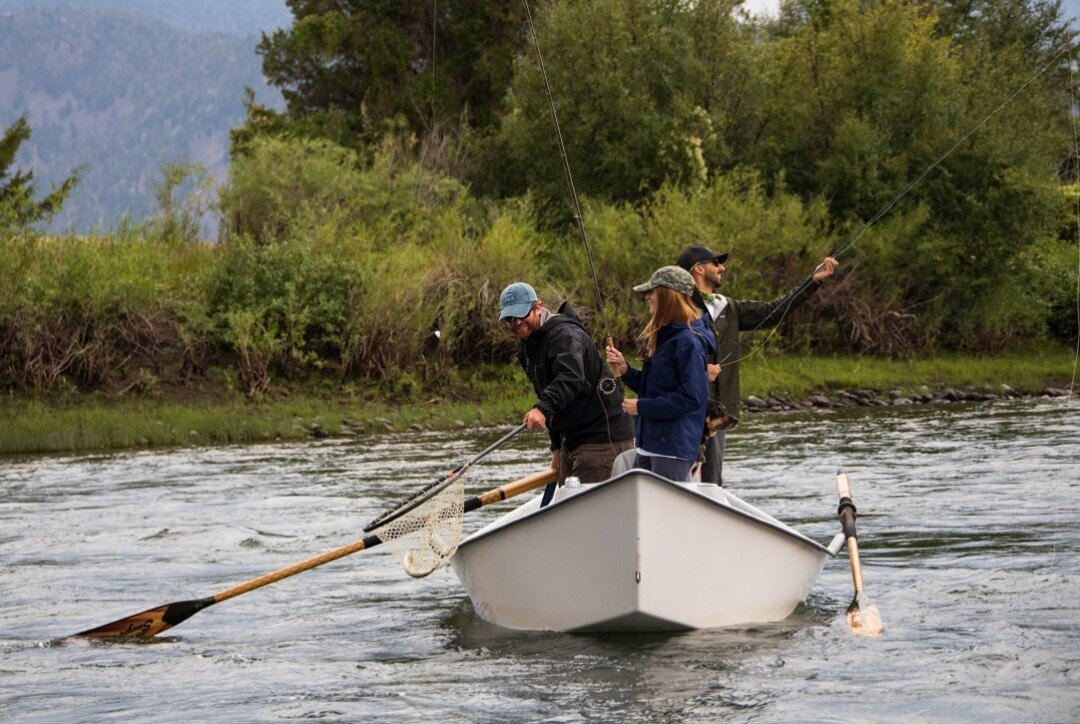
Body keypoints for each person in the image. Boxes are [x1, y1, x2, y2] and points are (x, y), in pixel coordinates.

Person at [677, 245, 839, 485]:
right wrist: (700, 371)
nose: (722, 267)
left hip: (718, 411)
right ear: (699, 269)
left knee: (711, 481)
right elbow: (664, 357)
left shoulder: (729, 307)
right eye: (716, 263)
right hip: (687, 409)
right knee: (682, 477)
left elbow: (774, 310)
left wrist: (812, 281)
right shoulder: (678, 306)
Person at [499, 282, 635, 484]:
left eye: (521, 314)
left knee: (585, 512)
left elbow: (570, 377)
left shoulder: (564, 335)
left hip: (601, 439)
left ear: (538, 307)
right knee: (566, 503)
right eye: (510, 318)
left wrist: (541, 409)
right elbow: (547, 392)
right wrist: (556, 446)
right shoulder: (527, 347)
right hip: (571, 441)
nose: (516, 322)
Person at [604, 266, 716, 482]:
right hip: (649, 444)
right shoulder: (665, 338)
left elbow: (691, 398)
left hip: (672, 447)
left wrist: (641, 407)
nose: (647, 297)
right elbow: (655, 387)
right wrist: (625, 370)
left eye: (652, 291)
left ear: (668, 296)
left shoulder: (688, 343)